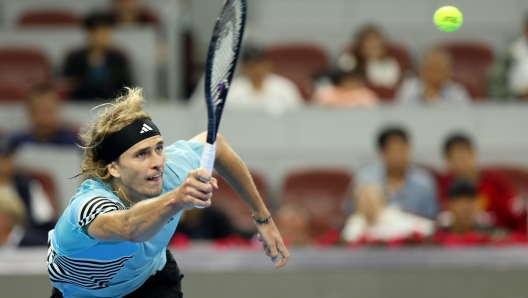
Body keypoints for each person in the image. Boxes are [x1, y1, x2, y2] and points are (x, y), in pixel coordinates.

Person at [47, 87, 289, 297]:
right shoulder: (88, 206)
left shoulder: (171, 170)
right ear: (113, 167)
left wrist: (262, 216)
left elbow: (216, 144)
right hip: (81, 294)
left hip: (150, 282)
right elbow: (128, 227)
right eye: (141, 154)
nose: (158, 162)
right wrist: (176, 198)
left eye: (159, 148)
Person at [439, 133, 525, 232]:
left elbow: (518, 214)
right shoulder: (445, 184)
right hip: (463, 240)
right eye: (455, 157)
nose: (460, 162)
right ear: (448, 160)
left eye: (463, 155)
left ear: (473, 153)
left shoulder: (494, 179)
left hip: (500, 238)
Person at [355, 126, 438, 219]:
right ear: (382, 151)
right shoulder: (365, 179)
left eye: (404, 149)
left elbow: (431, 218)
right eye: (395, 150)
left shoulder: (423, 182)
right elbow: (353, 213)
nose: (400, 156)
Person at [63, 12, 133, 101]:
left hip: (112, 106)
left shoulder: (118, 59)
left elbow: (127, 88)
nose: (104, 36)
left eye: (106, 32)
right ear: (90, 34)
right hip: (80, 105)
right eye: (99, 32)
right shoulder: (75, 59)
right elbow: (68, 88)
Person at [0, 138, 56, 246]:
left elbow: (46, 223)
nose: (3, 163)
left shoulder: (27, 186)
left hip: (22, 248)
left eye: (6, 158)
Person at [341, 183, 434, 243]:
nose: (368, 203)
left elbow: (427, 228)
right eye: (363, 200)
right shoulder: (354, 222)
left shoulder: (394, 217)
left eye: (371, 199)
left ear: (381, 201)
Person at [226, 44, 304, 114]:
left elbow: (298, 116)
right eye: (250, 65)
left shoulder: (284, 88)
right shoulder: (232, 91)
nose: (255, 69)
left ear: (267, 64)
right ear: (243, 67)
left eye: (258, 64)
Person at [8, 86, 79, 151]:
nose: (46, 115)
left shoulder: (72, 140)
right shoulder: (17, 141)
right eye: (41, 110)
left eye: (49, 110)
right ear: (30, 112)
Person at [396, 49, 471, 105]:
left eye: (442, 69)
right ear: (422, 69)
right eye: (434, 68)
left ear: (449, 72)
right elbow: (398, 115)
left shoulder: (457, 93)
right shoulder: (408, 89)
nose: (438, 73)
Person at [337, 25, 402, 89]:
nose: (374, 46)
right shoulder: (354, 66)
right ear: (361, 48)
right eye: (370, 46)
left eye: (376, 47)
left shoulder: (392, 64)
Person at [488, 10, 528, 99]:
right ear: (525, 28)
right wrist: (519, 95)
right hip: (515, 107)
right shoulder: (511, 52)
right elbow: (495, 87)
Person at [313, 70, 379, 107]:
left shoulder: (366, 94)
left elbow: (372, 110)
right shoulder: (326, 93)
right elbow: (317, 109)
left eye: (354, 81)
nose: (351, 83)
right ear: (340, 82)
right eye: (348, 80)